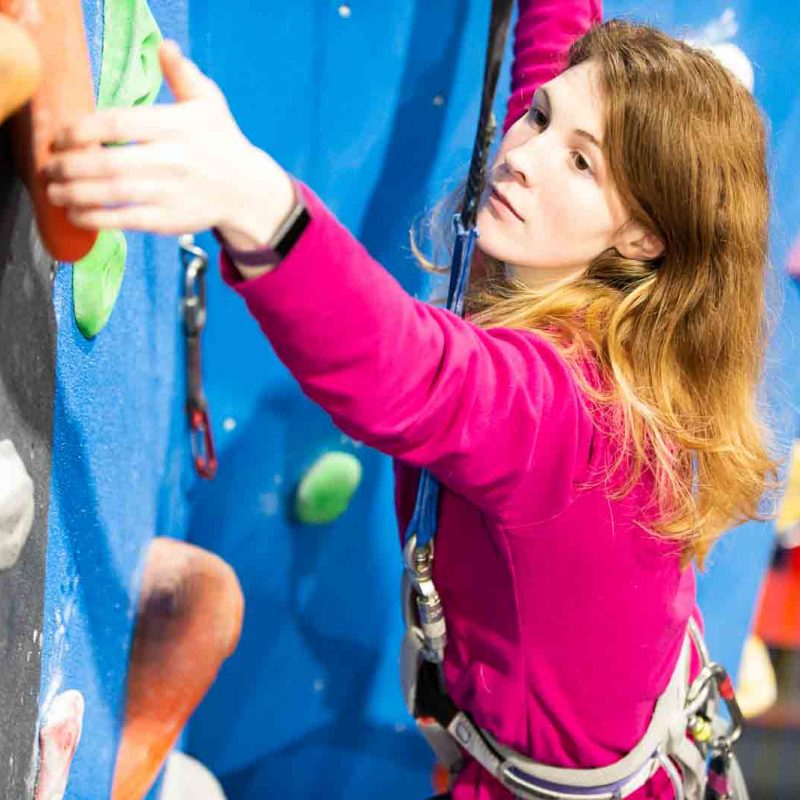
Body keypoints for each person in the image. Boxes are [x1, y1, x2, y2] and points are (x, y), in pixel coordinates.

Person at [42, 0, 777, 797]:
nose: (525, 154)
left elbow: (415, 373)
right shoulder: (575, 247)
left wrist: (257, 205)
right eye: (537, 119)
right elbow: (556, 76)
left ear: (643, 236)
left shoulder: (579, 416)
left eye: (583, 163)